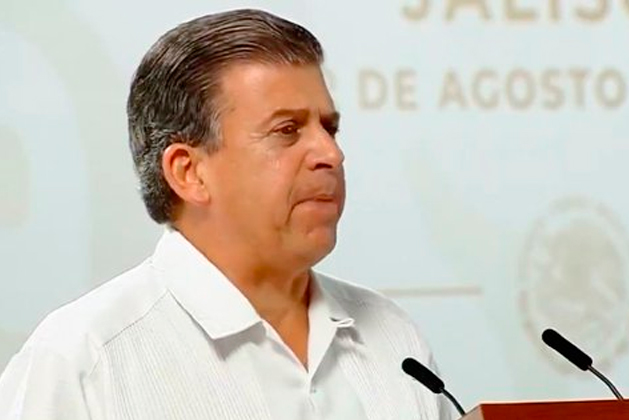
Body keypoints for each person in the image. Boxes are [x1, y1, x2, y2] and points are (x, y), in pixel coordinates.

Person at [0, 8, 453, 420]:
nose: (331, 154)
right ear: (189, 172)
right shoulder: (85, 361)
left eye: (329, 128)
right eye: (287, 130)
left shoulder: (393, 338)